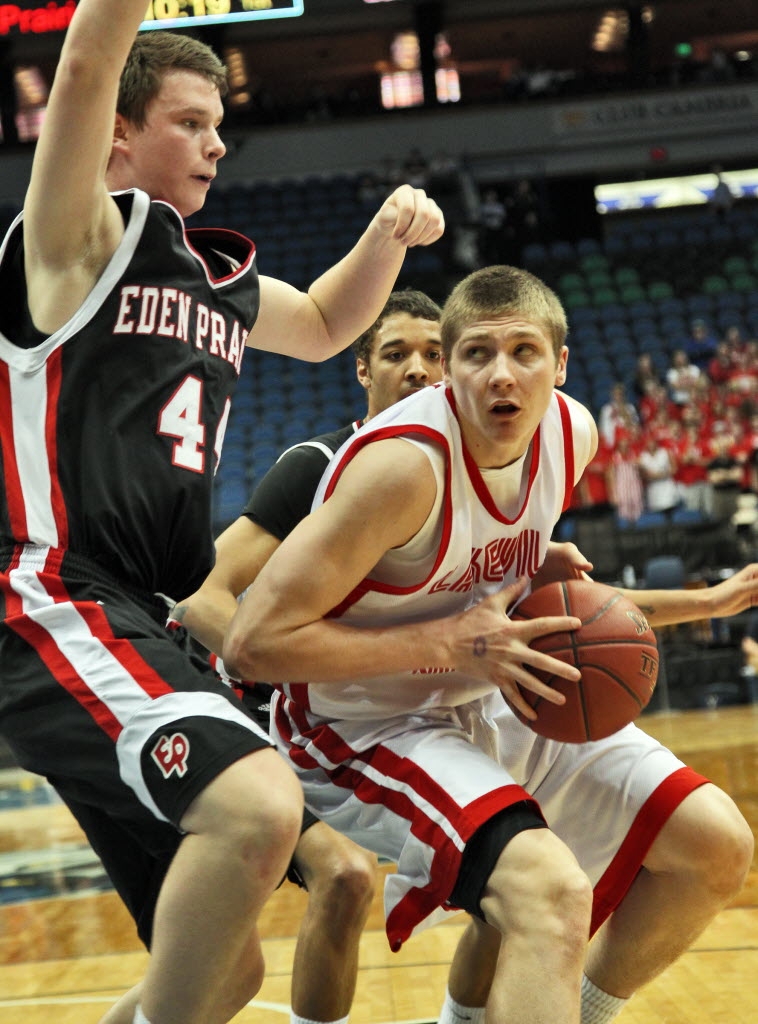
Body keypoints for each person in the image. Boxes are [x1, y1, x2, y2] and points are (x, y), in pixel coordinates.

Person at [0, 3, 444, 1024]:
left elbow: (333, 324)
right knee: (256, 808)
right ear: (119, 131)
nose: (216, 141)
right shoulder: (75, 244)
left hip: (135, 616)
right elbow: (83, 65)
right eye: (191, 121)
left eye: (219, 124)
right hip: (50, 592)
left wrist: (386, 234)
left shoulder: (219, 282)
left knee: (222, 969)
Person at [224, 265, 754, 1024]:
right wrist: (452, 643)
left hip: (486, 687)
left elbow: (476, 594)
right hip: (360, 724)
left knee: (715, 845)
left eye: (523, 351)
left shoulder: (572, 434)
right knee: (550, 894)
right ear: (450, 369)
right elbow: (253, 644)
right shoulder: (401, 470)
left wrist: (702, 598)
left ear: (561, 364)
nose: (501, 374)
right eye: (476, 354)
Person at [175, 288, 498, 1024]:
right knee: (345, 879)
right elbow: (202, 595)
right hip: (265, 724)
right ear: (361, 370)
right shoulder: (318, 465)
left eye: (434, 355)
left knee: (513, 862)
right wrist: (297, 662)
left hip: (383, 719)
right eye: (395, 354)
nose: (418, 370)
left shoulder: (473, 473)